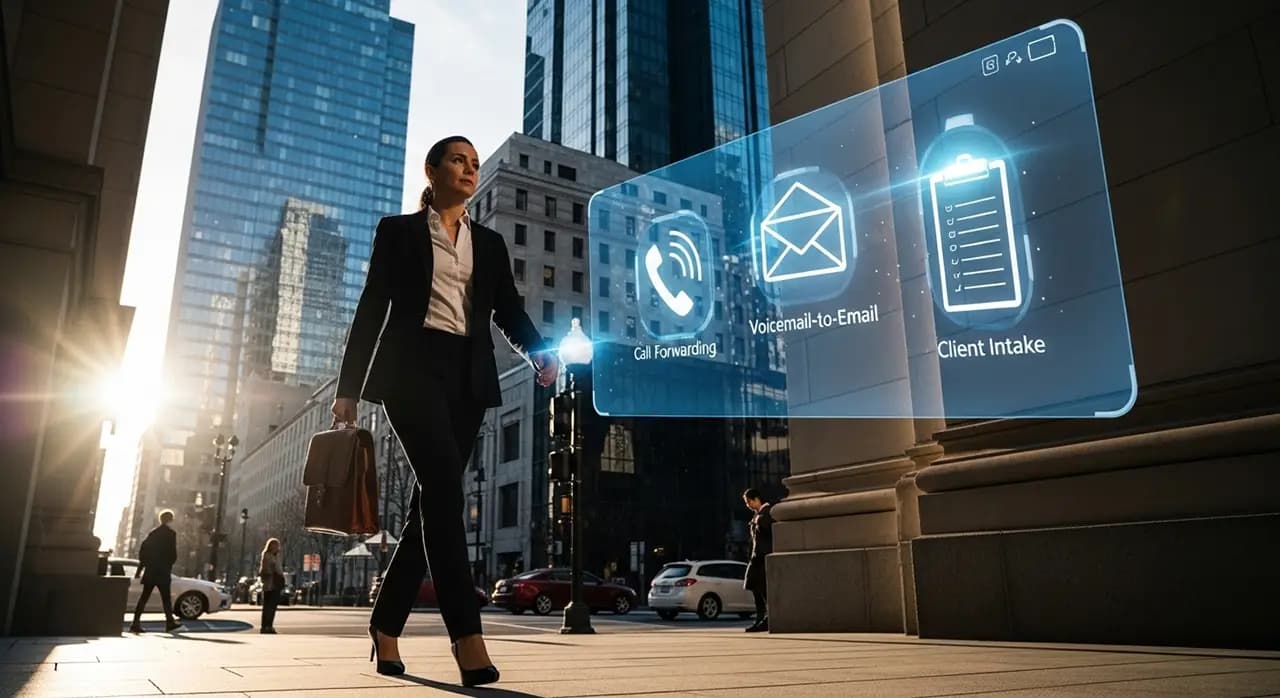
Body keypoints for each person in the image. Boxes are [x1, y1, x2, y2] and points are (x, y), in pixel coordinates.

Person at [333, 135, 557, 687]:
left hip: (467, 379)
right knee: (447, 496)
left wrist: (539, 353)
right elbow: (371, 309)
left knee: (429, 509)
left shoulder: (489, 242)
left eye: (474, 163)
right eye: (458, 160)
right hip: (411, 372)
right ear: (431, 171)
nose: (469, 169)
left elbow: (507, 308)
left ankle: (385, 625)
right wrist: (348, 388)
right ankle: (467, 638)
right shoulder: (398, 232)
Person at [130, 509, 181, 633]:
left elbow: (144, 551)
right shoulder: (171, 534)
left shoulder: (153, 533)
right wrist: (168, 564)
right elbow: (173, 554)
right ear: (171, 520)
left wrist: (141, 569)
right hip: (163, 571)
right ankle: (169, 622)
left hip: (151, 570)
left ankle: (135, 623)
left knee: (144, 597)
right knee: (166, 598)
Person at [742, 488, 774, 633]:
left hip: (762, 557)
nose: (747, 505)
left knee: (763, 590)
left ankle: (767, 618)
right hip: (756, 558)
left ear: (756, 499)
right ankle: (760, 618)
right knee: (754, 587)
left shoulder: (767, 512)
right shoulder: (757, 515)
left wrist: (758, 520)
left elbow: (767, 530)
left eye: (749, 501)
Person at [258, 538, 284, 634]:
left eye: (277, 545)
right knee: (268, 606)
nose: (276, 547)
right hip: (270, 584)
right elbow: (266, 569)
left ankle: (269, 625)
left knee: (272, 607)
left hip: (275, 584)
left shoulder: (276, 556)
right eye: (274, 545)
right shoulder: (267, 555)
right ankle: (266, 626)